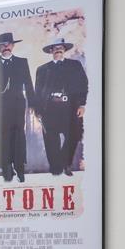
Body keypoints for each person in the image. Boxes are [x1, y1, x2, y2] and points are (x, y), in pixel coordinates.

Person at [34, 39, 89, 176]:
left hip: (70, 108)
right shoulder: (42, 70)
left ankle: (66, 163)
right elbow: (38, 91)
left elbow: (83, 84)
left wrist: (82, 104)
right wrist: (38, 110)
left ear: (64, 49)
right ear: (51, 50)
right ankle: (56, 168)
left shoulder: (74, 65)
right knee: (51, 140)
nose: (58, 50)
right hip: (49, 109)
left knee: (74, 135)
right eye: (55, 48)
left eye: (61, 47)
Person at [0, 31, 35, 182]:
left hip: (18, 105)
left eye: (8, 44)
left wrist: (32, 104)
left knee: (18, 135)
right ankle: (6, 168)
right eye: (2, 45)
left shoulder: (22, 62)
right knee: (2, 136)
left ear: (12, 46)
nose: (6, 47)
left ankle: (19, 168)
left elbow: (29, 84)